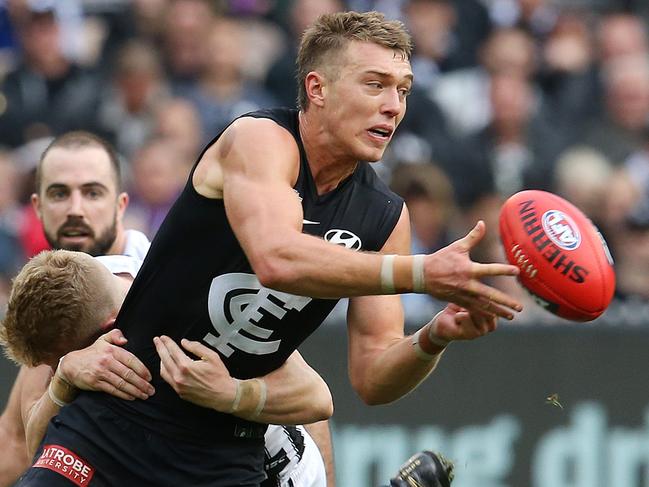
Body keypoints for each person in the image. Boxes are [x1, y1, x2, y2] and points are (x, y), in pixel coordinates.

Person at [13, 11, 522, 486]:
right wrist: (421, 274)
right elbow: (276, 259)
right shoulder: (260, 139)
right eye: (375, 85)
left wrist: (434, 335)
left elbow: (372, 378)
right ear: (316, 88)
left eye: (403, 90)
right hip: (112, 434)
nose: (394, 106)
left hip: (223, 460)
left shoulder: (385, 217)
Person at [0, 131, 336, 487]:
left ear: (122, 204)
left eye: (93, 192)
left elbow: (308, 396)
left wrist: (232, 395)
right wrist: (66, 375)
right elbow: (26, 442)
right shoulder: (53, 304)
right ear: (36, 208)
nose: (75, 209)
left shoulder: (174, 279)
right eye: (59, 194)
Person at [0, 249, 332, 487]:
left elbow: (317, 399)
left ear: (108, 329)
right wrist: (63, 376)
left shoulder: (202, 299)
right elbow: (40, 448)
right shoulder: (77, 292)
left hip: (279, 469)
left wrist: (230, 393)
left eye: (61, 360)